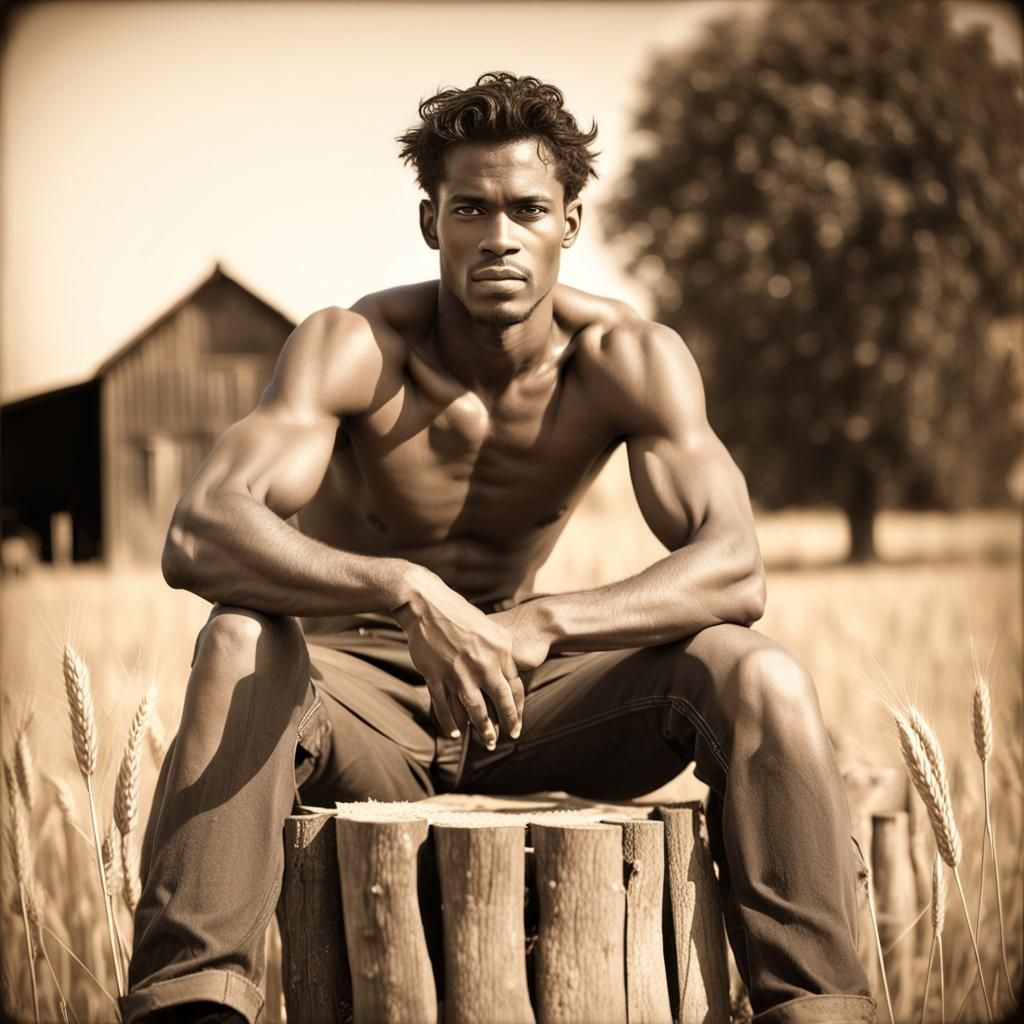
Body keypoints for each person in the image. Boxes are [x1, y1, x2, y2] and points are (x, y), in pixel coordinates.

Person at [124, 72, 876, 1024]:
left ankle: (820, 1008)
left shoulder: (626, 359)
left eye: (527, 209)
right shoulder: (354, 346)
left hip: (529, 696)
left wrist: (545, 621)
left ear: (570, 221)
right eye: (470, 208)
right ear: (431, 220)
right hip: (358, 705)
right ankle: (191, 1002)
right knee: (238, 641)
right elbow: (199, 530)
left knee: (759, 674)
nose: (499, 236)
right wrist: (405, 589)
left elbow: (735, 565)